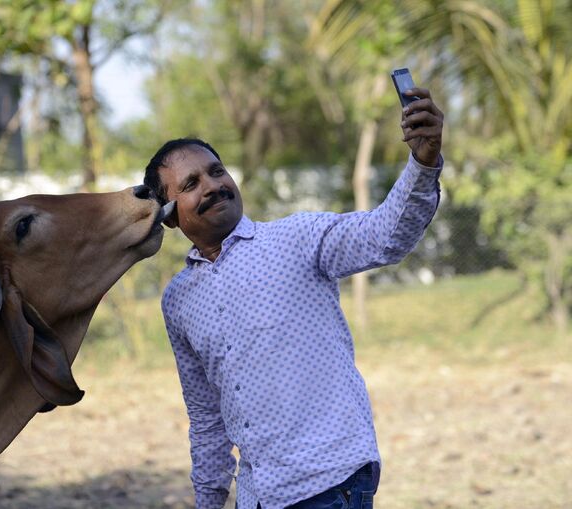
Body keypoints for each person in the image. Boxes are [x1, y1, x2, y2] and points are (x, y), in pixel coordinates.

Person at [143, 88, 444, 509]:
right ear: (170, 216)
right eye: (191, 184)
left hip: (329, 482)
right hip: (258, 497)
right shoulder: (178, 300)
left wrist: (423, 162)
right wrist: (209, 499)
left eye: (217, 171)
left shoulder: (297, 239)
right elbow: (207, 416)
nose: (212, 185)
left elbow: (386, 235)